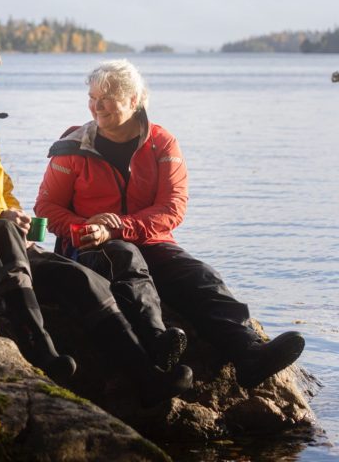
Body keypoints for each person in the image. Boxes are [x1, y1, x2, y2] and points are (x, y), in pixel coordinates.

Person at [0, 30, 193, 406]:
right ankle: (41, 355)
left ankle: (147, 375)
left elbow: (2, 190)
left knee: (81, 277)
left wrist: (15, 217)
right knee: (0, 234)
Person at [34, 58, 305, 388]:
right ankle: (157, 342)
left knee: (201, 276)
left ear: (134, 100)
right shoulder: (72, 146)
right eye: (92, 97)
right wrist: (87, 229)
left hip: (150, 241)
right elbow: (47, 208)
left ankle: (249, 354)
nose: (96, 106)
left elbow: (172, 208)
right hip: (90, 247)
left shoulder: (162, 143)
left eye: (106, 97)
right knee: (124, 257)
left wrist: (118, 226)